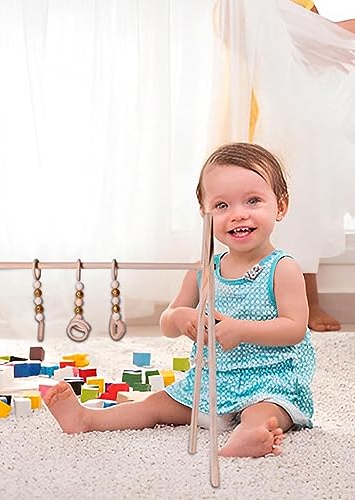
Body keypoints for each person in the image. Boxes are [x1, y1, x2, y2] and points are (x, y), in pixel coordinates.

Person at [44, 142, 316, 458]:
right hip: (211, 382)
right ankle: (87, 419)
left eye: (253, 201)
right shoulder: (202, 272)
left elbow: (294, 328)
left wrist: (243, 330)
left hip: (270, 379)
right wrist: (179, 317)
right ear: (204, 213)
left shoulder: (282, 268)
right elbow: (167, 322)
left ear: (280, 206)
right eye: (222, 206)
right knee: (156, 405)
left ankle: (251, 434)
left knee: (263, 411)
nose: (238, 214)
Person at [208, 0, 355, 333]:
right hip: (263, 120)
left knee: (303, 211)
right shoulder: (239, 6)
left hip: (301, 124)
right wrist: (331, 37)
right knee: (261, 212)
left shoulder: (304, 4)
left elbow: (318, 56)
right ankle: (269, 301)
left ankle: (304, 300)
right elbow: (283, 43)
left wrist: (331, 39)